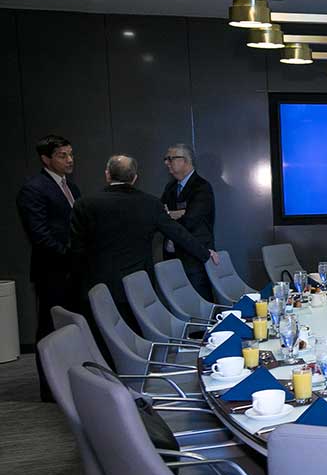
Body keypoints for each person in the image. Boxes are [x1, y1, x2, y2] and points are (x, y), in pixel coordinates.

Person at [70, 154, 219, 329]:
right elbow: (178, 233)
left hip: (98, 285)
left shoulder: (84, 204)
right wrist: (204, 252)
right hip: (138, 284)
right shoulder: (151, 204)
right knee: (138, 336)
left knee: (106, 337)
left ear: (107, 175)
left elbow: (76, 249)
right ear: (134, 178)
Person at [16, 135, 81, 402]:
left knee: (71, 329)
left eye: (70, 154)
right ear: (45, 159)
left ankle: (72, 382)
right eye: (62, 156)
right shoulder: (33, 188)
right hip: (52, 271)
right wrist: (70, 255)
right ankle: (49, 388)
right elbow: (40, 236)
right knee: (49, 329)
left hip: (73, 271)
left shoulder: (72, 188)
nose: (69, 160)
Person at [161, 143, 216, 301]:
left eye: (170, 159)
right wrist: (176, 214)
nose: (166, 163)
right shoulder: (170, 187)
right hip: (171, 259)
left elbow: (190, 220)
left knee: (201, 307)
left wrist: (171, 215)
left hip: (193, 260)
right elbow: (160, 216)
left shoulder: (201, 187)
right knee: (178, 306)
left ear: (184, 160)